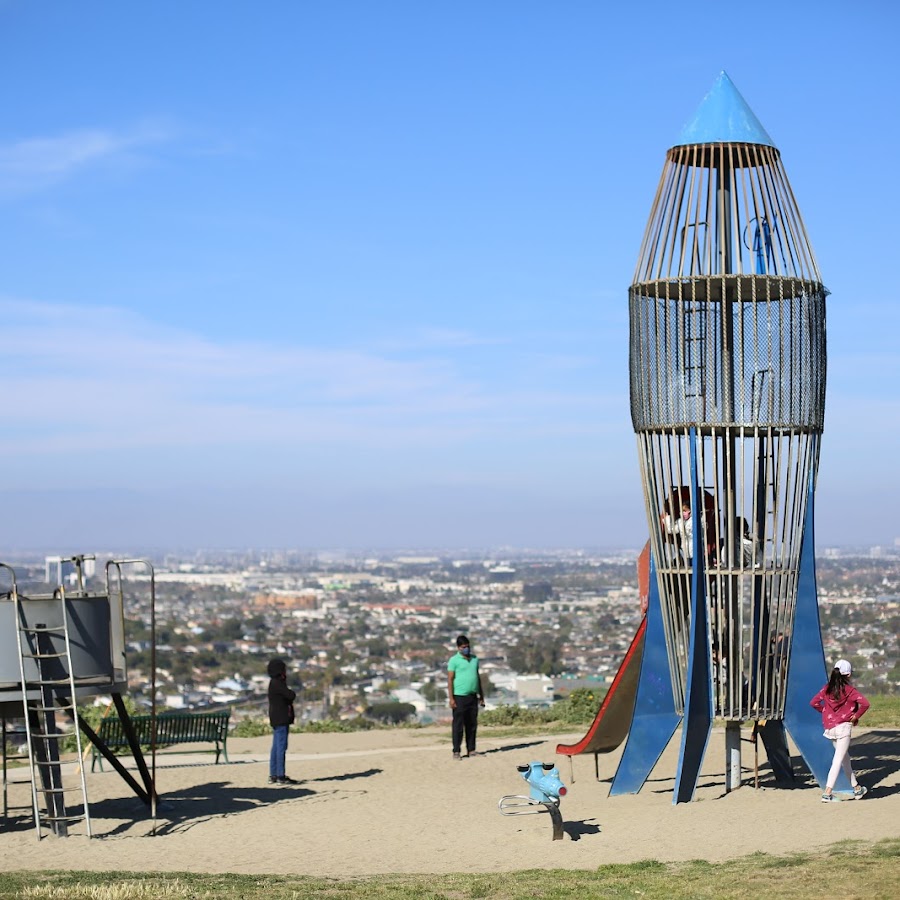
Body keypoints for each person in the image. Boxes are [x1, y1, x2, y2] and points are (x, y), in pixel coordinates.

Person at [810, 659, 870, 802]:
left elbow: (813, 702)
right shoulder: (850, 691)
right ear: (848, 675)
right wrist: (855, 716)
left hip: (830, 727)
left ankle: (856, 788)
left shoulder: (826, 689)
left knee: (845, 759)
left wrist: (824, 711)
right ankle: (827, 792)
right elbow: (865, 704)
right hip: (843, 727)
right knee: (838, 760)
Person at [447, 634, 484, 760]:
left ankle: (471, 749)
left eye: (468, 646)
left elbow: (477, 677)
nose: (466, 649)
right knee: (458, 725)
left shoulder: (474, 659)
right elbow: (450, 679)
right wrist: (451, 698)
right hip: (459, 696)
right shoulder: (454, 661)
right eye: (463, 647)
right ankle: (456, 751)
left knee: (472, 724)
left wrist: (481, 695)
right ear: (458, 648)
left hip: (472, 696)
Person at [267, 657, 298, 785]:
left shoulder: (273, 683)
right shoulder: (278, 683)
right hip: (281, 718)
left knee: (275, 747)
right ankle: (280, 775)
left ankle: (274, 774)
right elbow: (290, 695)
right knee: (281, 747)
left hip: (275, 718)